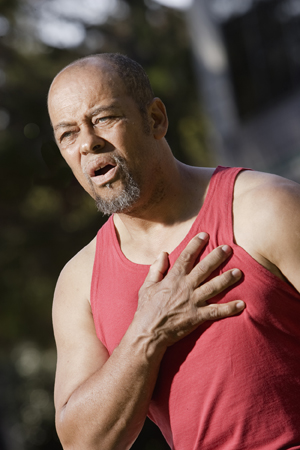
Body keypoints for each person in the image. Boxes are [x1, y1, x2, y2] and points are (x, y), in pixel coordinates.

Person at [48, 53, 300, 450]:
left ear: (156, 119)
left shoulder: (266, 207)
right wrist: (148, 332)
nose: (87, 143)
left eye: (103, 118)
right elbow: (84, 443)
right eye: (67, 134)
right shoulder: (78, 283)